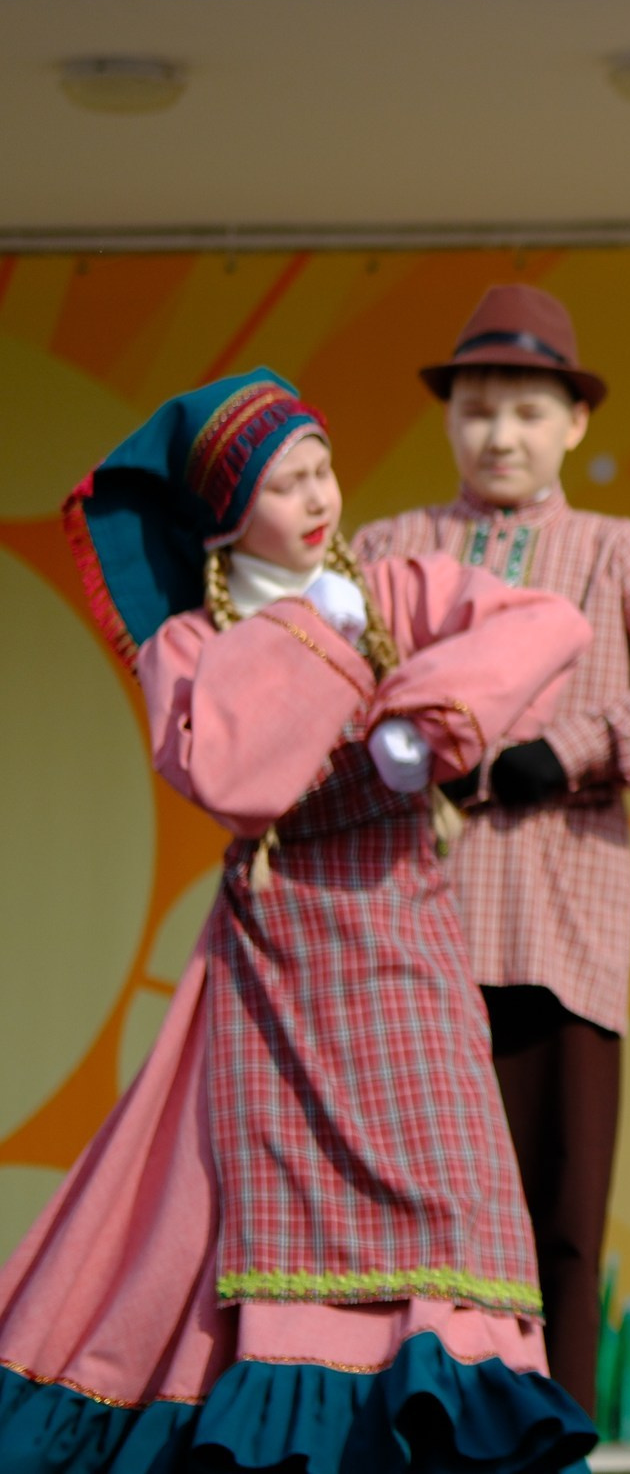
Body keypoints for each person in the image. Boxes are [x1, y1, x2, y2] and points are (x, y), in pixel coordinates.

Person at [0, 370, 598, 1472]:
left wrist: (430, 714)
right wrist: (310, 640)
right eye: (286, 484)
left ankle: (438, 1424)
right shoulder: (193, 643)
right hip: (279, 960)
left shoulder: (392, 588)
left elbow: (546, 622)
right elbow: (230, 773)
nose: (319, 497)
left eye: (322, 467)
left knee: (454, 1198)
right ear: (232, 513)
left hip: (405, 941)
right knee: (251, 1210)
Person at [353, 287, 630, 1412]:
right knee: (398, 1222)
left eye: (527, 412)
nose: (500, 435)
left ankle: (549, 1444)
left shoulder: (617, 552)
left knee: (558, 1224)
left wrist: (578, 746)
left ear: (573, 425)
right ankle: (397, 1437)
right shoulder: (389, 552)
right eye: (480, 408)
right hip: (401, 940)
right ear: (448, 418)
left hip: (556, 940)